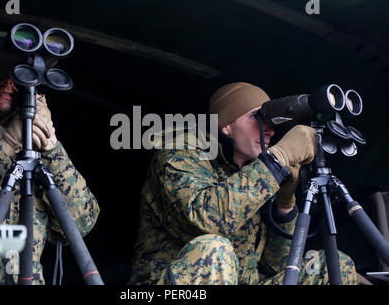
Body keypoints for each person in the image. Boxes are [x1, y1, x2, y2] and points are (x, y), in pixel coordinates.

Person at [129, 82, 357, 285]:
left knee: (334, 266)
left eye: (270, 120)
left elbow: (277, 267)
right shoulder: (181, 154)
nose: (269, 129)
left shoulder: (259, 172)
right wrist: (277, 160)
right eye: (256, 117)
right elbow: (208, 220)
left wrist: (285, 203)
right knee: (215, 250)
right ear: (226, 126)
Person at [0, 32, 99, 284]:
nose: (7, 84)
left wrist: (51, 149)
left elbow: (81, 223)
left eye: (17, 77)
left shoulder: (35, 149)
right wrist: (6, 147)